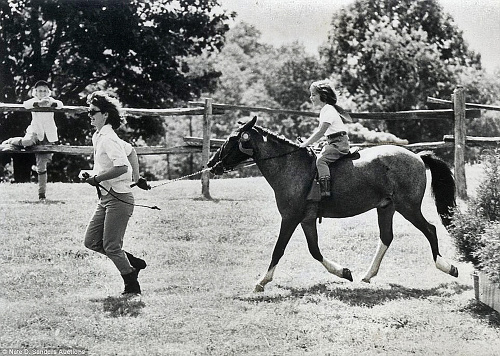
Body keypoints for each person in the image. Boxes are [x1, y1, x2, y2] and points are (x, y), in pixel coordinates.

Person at [82, 91, 146, 296]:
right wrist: (92, 174)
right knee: (91, 241)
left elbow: (121, 167)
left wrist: (97, 179)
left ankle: (131, 283)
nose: (90, 115)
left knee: (111, 246)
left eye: (93, 112)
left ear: (105, 115)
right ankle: (132, 261)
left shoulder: (108, 138)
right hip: (107, 197)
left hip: (119, 199)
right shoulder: (100, 136)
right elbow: (131, 151)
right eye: (88, 111)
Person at [2, 80, 64, 200]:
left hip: (47, 136)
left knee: (42, 165)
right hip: (35, 131)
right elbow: (26, 104)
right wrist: (38, 103)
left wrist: (52, 103)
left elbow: (60, 104)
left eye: (45, 91)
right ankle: (11, 140)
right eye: (40, 91)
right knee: (27, 142)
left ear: (48, 92)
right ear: (35, 92)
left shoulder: (51, 101)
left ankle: (42, 194)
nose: (43, 93)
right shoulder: (33, 101)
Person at [299, 80, 352, 197]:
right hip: (334, 142)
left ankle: (325, 190)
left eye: (313, 95)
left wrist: (305, 144)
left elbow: (320, 132)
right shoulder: (325, 110)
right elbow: (326, 133)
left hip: (339, 144)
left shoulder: (329, 110)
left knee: (321, 160)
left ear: (323, 95)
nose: (310, 97)